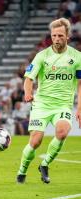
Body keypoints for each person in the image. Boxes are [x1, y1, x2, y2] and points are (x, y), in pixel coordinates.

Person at [16, 18, 81, 184]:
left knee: (62, 132)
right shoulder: (42, 56)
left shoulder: (77, 57)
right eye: (54, 35)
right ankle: (22, 169)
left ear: (68, 36)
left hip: (63, 105)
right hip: (42, 105)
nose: (57, 38)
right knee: (36, 141)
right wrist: (28, 93)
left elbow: (80, 84)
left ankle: (44, 164)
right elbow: (29, 78)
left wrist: (79, 107)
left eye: (60, 35)